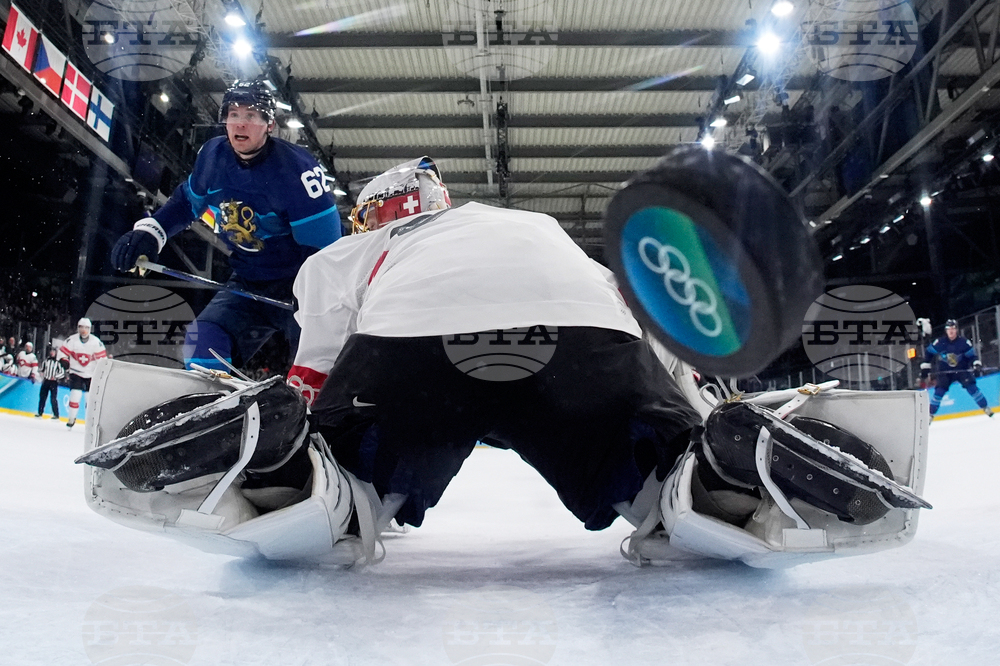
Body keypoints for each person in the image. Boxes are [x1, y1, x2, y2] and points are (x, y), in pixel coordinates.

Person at [76, 158, 930, 568]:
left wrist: (298, 404)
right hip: (585, 334)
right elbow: (650, 331)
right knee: (653, 483)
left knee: (350, 487)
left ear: (379, 213)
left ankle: (280, 457)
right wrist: (695, 407)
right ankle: (715, 460)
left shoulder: (360, 251)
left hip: (412, 341)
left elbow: (322, 358)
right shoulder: (536, 229)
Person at [109, 79, 342, 373]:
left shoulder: (297, 171)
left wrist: (314, 300)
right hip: (247, 282)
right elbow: (185, 203)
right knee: (201, 344)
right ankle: (219, 416)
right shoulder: (213, 156)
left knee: (314, 372)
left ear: (269, 124)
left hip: (301, 287)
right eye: (233, 114)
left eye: (251, 115)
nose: (240, 124)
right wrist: (151, 233)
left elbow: (327, 249)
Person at [921, 318, 994, 421]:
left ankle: (986, 408)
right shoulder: (939, 342)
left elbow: (972, 357)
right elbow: (928, 353)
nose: (951, 331)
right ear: (946, 330)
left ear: (956, 330)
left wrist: (976, 364)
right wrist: (925, 367)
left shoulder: (964, 342)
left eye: (953, 328)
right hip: (945, 372)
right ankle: (930, 415)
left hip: (961, 371)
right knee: (939, 393)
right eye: (948, 329)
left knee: (972, 388)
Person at [58, 318, 107, 428]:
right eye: (81, 327)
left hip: (91, 374)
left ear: (90, 329)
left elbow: (103, 360)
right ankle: (71, 418)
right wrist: (63, 360)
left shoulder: (96, 342)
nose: (84, 330)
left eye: (86, 328)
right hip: (76, 372)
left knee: (89, 399)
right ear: (78, 328)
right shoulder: (72, 340)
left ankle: (90, 422)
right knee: (75, 394)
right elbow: (62, 352)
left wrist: (101, 371)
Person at [36, 347, 64, 419]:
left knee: (53, 398)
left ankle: (56, 415)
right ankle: (40, 413)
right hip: (46, 381)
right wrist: (42, 374)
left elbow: (62, 373)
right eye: (51, 351)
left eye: (53, 352)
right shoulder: (46, 361)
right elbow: (41, 369)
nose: (52, 353)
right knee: (42, 397)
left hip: (53, 382)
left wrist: (55, 377)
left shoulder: (57, 363)